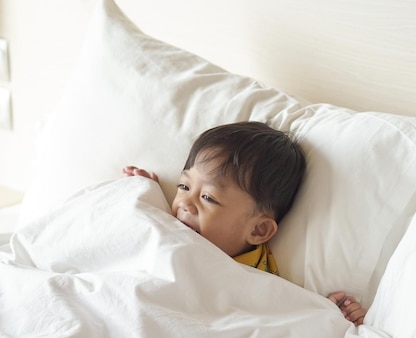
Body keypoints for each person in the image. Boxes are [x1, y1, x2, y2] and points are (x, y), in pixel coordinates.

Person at [123, 121, 366, 326]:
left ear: (258, 230)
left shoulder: (258, 276)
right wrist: (144, 198)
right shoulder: (175, 226)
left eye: (208, 197)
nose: (186, 203)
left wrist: (332, 315)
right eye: (184, 186)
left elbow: (282, 318)